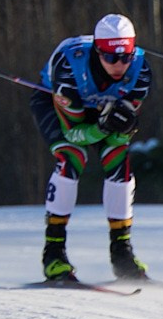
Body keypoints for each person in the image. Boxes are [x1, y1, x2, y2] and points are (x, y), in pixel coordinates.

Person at [29, 14, 153, 283]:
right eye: (111, 58)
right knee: (71, 157)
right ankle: (54, 254)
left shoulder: (140, 71)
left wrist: (122, 126)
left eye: (126, 57)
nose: (120, 65)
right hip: (55, 104)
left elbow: (123, 133)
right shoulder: (68, 70)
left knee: (119, 160)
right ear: (98, 52)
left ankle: (122, 253)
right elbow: (73, 133)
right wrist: (103, 128)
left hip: (101, 112)